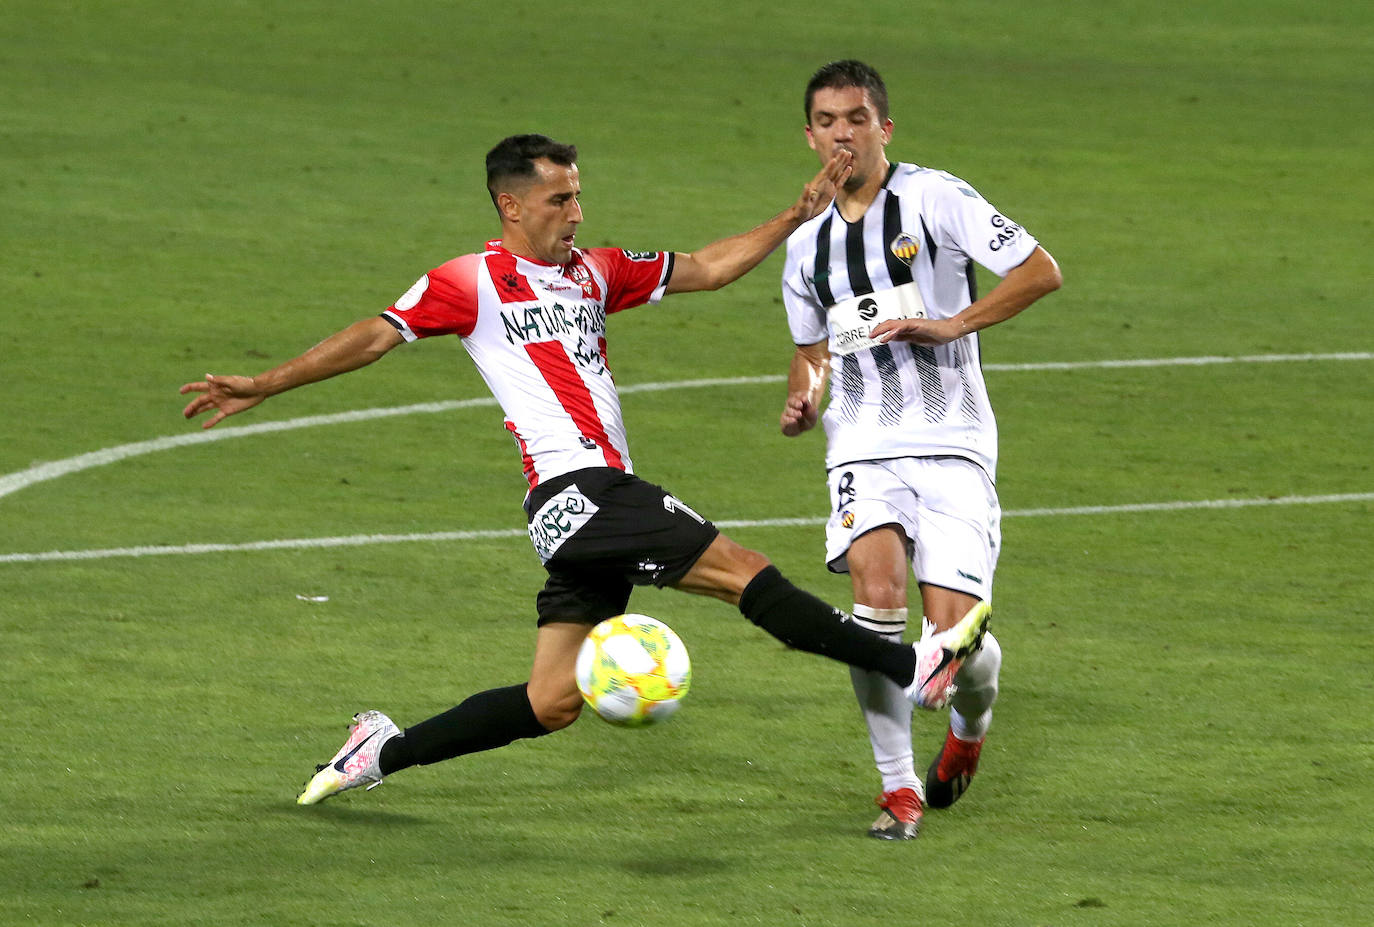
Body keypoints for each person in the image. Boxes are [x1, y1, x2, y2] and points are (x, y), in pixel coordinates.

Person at [180, 133, 993, 809]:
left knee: (551, 701)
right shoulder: (470, 282)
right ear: (512, 205)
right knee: (742, 571)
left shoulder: (595, 270)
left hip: (573, 515)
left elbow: (706, 267)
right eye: (559, 200)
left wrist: (792, 214)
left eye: (577, 196)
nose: (577, 212)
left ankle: (379, 751)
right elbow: (375, 334)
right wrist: (266, 381)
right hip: (581, 491)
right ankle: (915, 665)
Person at [778, 61, 1062, 839]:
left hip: (955, 441)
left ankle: (968, 732)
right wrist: (804, 396)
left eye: (858, 118)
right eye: (829, 120)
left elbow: (1042, 270)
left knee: (954, 643)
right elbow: (813, 351)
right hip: (862, 444)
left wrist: (952, 323)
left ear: (884, 128)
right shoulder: (805, 248)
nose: (843, 132)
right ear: (810, 135)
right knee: (875, 594)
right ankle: (898, 788)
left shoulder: (935, 199)